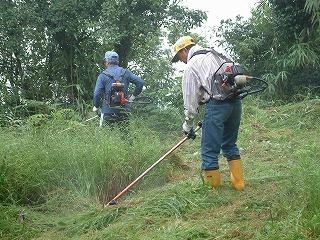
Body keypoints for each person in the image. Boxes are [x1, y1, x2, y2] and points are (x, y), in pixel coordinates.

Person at [171, 36, 245, 191]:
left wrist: (188, 124)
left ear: (185, 50)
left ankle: (212, 189)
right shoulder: (217, 54)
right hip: (236, 103)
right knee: (230, 144)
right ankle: (239, 184)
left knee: (209, 150)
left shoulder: (192, 66)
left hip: (217, 106)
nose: (181, 61)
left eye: (179, 57)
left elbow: (191, 101)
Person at [93, 51, 144, 127]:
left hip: (107, 111)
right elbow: (140, 82)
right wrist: (132, 97)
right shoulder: (126, 72)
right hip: (124, 111)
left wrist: (96, 106)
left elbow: (97, 93)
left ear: (107, 62)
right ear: (117, 61)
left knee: (105, 137)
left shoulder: (103, 75)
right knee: (125, 137)